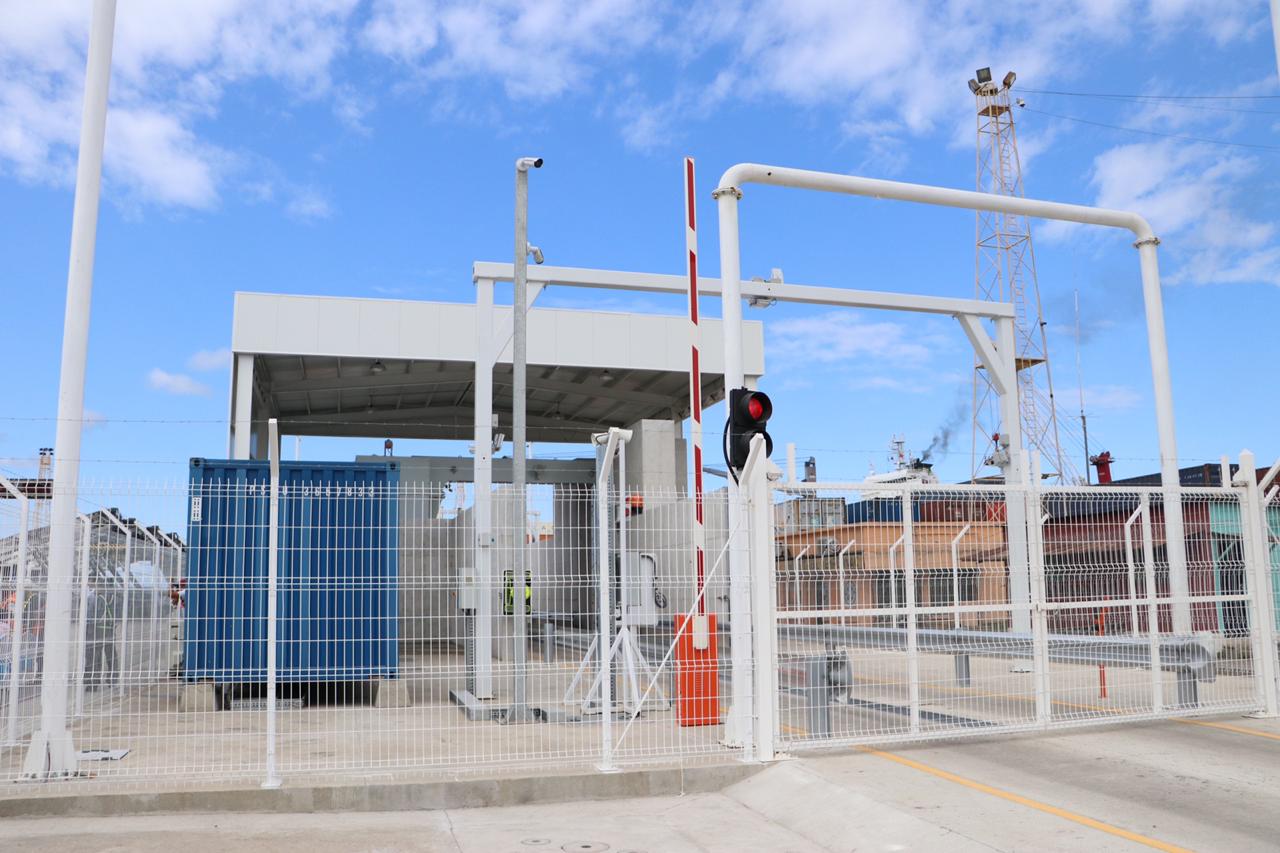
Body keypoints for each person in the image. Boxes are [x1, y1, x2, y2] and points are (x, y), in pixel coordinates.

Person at [85, 587, 118, 689]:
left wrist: (89, 625)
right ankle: (112, 679)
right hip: (110, 629)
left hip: (97, 629)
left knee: (94, 656)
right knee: (111, 656)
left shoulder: (98, 598)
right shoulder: (113, 597)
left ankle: (93, 682)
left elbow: (91, 615)